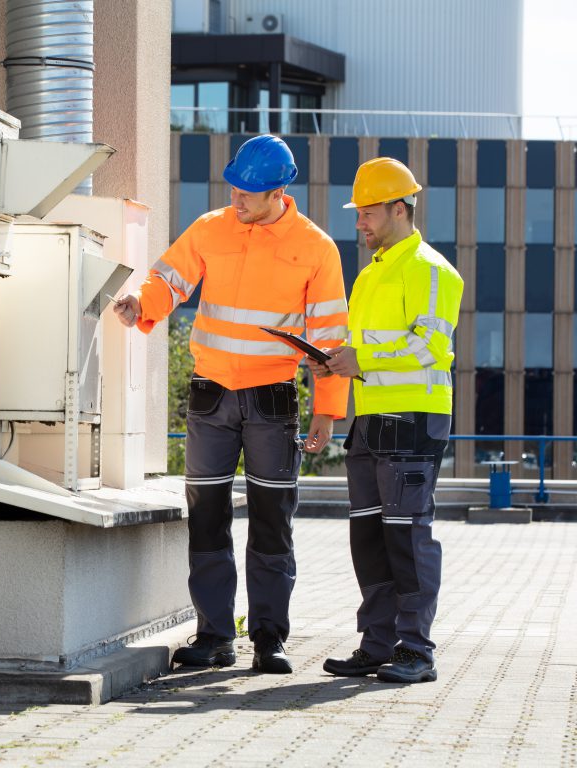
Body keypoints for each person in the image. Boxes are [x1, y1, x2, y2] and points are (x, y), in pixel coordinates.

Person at [113, 135, 350, 674]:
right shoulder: (210, 228)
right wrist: (141, 304)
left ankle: (269, 640)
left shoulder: (316, 248)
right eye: (235, 188)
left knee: (272, 522)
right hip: (211, 396)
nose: (238, 199)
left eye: (250, 192)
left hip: (272, 400)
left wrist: (326, 411)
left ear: (280, 191)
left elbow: (331, 338)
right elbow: (168, 280)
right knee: (207, 520)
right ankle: (215, 636)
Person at [312, 157, 463, 684]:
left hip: (413, 423)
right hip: (371, 420)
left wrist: (362, 359)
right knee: (370, 538)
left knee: (407, 537)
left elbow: (430, 347)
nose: (359, 222)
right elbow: (370, 348)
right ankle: (377, 644)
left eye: (368, 212)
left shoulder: (431, 270)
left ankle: (416, 650)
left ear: (399, 210)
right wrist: (335, 358)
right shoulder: (374, 273)